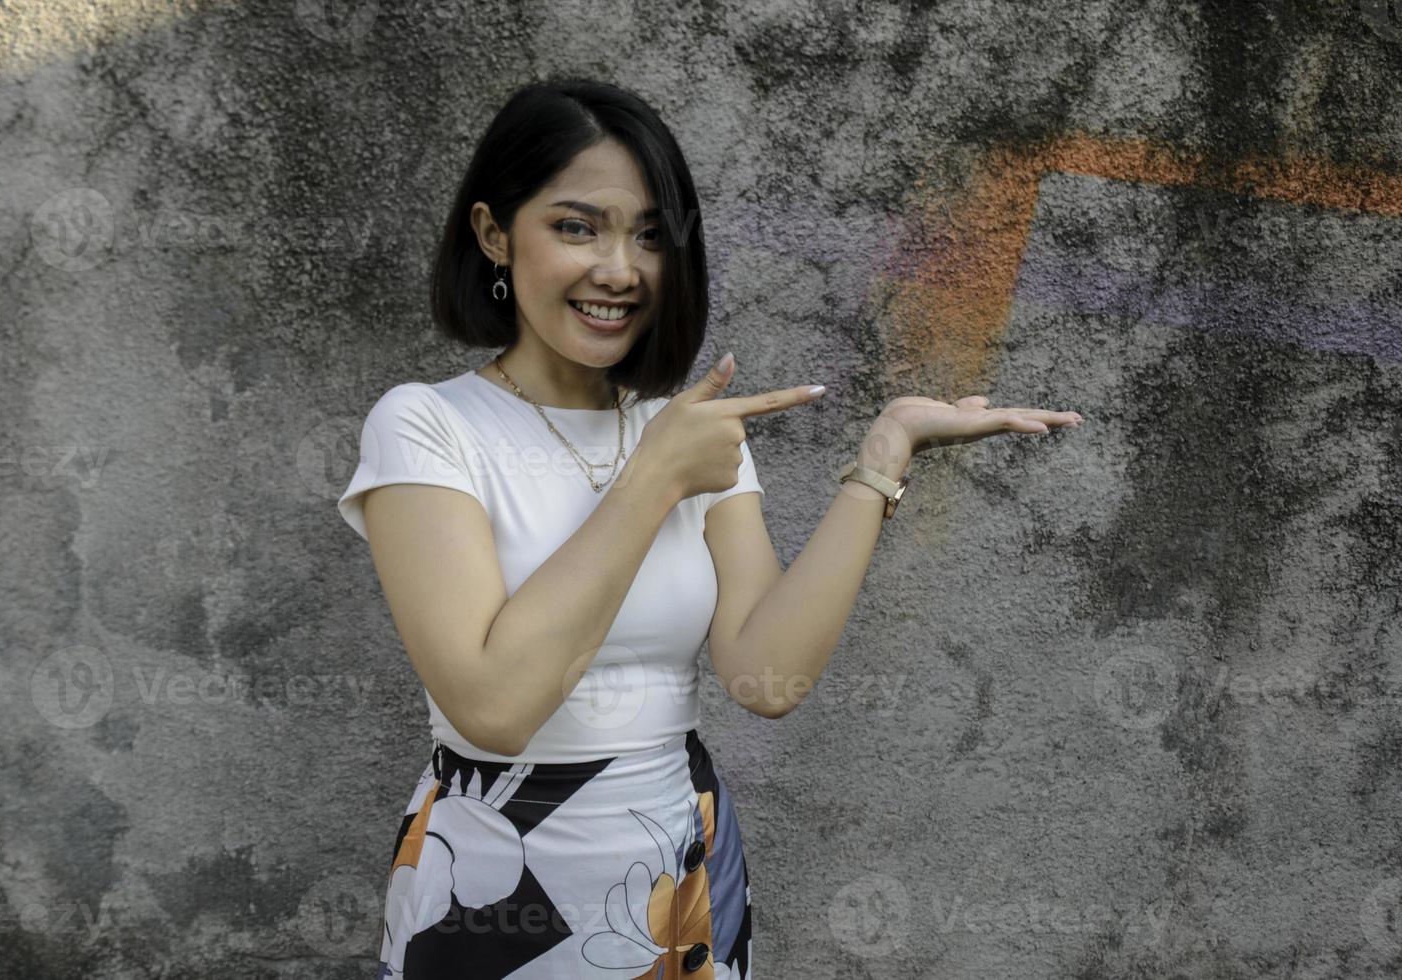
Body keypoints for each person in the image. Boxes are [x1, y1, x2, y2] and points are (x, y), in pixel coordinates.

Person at [336, 78, 1081, 980]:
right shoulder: (426, 426)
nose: (621, 269)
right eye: (577, 227)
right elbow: (494, 708)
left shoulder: (688, 433)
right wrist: (653, 478)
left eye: (650, 235)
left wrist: (883, 456)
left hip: (676, 865)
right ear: (495, 234)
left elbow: (765, 679)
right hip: (487, 877)